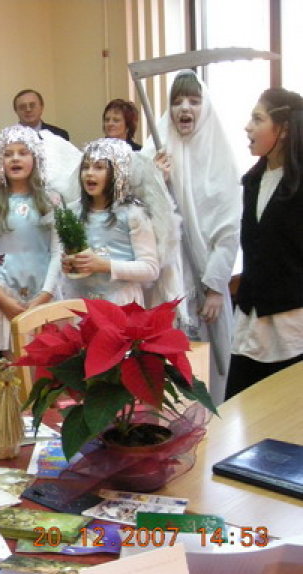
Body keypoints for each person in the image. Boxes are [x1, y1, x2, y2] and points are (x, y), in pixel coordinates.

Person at [142, 70, 241, 404]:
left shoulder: (220, 157)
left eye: (194, 101)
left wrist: (215, 287)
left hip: (206, 280)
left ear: (205, 107)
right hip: (168, 279)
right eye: (177, 101)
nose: (185, 108)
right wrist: (154, 179)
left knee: (209, 370)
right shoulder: (153, 151)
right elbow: (138, 216)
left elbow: (228, 229)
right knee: (168, 370)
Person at [226, 88, 303, 398]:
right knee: (240, 407)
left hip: (290, 322)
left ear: (283, 130)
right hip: (250, 317)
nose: (248, 127)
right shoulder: (252, 181)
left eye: (258, 119)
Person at [0, 125, 61, 353]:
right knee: (14, 365)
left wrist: (45, 295)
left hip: (44, 294)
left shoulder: (52, 200)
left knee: (49, 364)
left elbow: (58, 251)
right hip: (7, 296)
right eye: (8, 154)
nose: (15, 158)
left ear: (36, 158)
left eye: (23, 152)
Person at [62, 138, 159, 305]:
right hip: (82, 302)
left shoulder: (133, 213)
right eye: (85, 167)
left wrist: (105, 265)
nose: (89, 173)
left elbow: (151, 269)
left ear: (117, 172)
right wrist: (68, 265)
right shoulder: (73, 212)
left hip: (122, 302)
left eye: (99, 167)